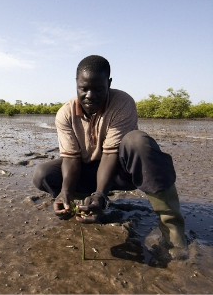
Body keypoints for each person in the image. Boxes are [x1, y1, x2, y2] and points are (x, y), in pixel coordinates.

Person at [32, 55, 188, 259]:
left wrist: (101, 194)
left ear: (109, 84)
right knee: (43, 174)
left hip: (121, 171)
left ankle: (172, 230)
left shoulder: (122, 103)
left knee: (138, 142)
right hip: (88, 170)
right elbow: (71, 159)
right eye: (84, 89)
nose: (89, 95)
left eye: (98, 89)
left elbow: (110, 154)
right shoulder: (65, 114)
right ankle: (83, 206)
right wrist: (65, 191)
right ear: (76, 84)